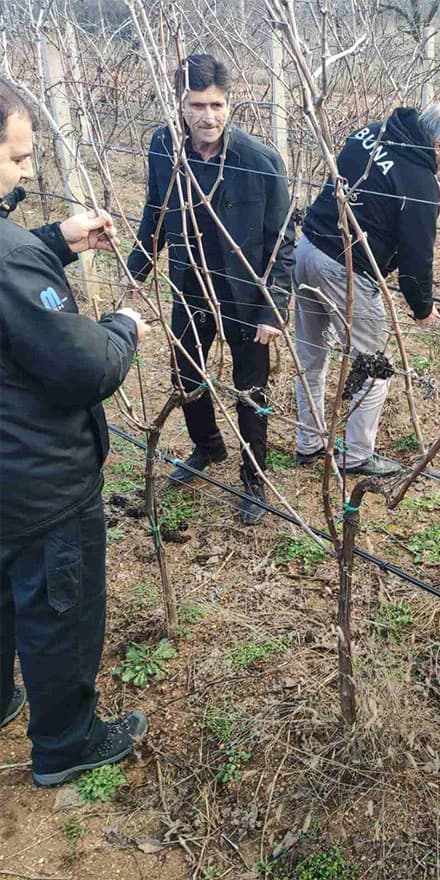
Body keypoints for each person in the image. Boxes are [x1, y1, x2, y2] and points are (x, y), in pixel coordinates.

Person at [0, 80, 151, 785]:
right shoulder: (8, 260)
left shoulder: (12, 253)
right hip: (39, 480)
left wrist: (49, 244)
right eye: (19, 157)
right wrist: (122, 327)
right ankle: (66, 744)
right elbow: (83, 367)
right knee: (60, 610)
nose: (27, 172)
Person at [126, 54, 295, 525]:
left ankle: (254, 476)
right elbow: (155, 212)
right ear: (180, 105)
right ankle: (207, 447)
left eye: (217, 104)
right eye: (198, 105)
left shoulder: (260, 161)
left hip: (244, 294)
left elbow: (283, 241)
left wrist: (273, 309)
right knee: (186, 374)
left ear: (230, 103)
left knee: (250, 388)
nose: (209, 116)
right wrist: (136, 270)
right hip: (189, 285)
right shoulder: (164, 147)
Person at [292, 102, 440, 475]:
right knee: (373, 366)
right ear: (439, 145)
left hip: (306, 250)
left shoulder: (373, 131)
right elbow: (416, 258)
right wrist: (422, 308)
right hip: (346, 270)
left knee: (310, 354)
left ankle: (308, 441)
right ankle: (358, 456)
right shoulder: (419, 185)